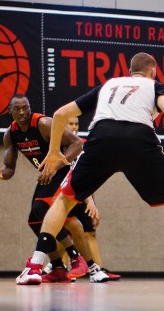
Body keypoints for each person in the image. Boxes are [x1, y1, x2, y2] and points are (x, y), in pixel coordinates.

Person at [15, 52, 164, 285]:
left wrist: (54, 151)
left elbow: (59, 114)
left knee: (63, 201)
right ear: (153, 72)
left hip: (103, 137)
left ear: (129, 72)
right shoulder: (154, 86)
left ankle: (35, 266)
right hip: (140, 140)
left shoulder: (108, 85)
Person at [0, 95, 97, 283]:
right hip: (49, 175)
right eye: (18, 109)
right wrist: (1, 173)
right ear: (10, 111)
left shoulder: (43, 123)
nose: (22, 112)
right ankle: (57, 266)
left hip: (64, 170)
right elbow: (10, 169)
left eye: (26, 107)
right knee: (34, 220)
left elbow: (77, 144)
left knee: (41, 209)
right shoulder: (10, 134)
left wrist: (55, 165)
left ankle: (76, 257)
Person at [65, 116, 121, 281]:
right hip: (64, 193)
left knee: (90, 232)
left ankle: (97, 269)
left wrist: (92, 202)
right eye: (70, 123)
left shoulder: (83, 144)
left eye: (76, 123)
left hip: (82, 194)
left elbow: (89, 175)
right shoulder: (57, 144)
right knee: (64, 235)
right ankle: (63, 271)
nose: (74, 126)